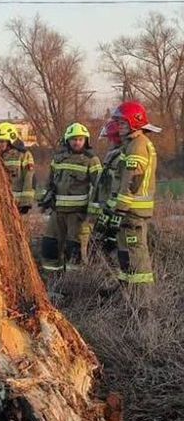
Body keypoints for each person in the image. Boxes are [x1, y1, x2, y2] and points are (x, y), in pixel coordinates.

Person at [99, 101, 159, 290]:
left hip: (133, 211)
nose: (119, 127)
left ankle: (143, 301)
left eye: (123, 123)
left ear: (135, 122)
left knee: (136, 259)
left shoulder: (137, 145)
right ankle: (128, 296)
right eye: (119, 123)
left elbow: (133, 180)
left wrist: (120, 208)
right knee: (126, 257)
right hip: (129, 211)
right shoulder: (132, 144)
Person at [38, 123, 102, 275]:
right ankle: (51, 279)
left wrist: (94, 212)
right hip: (57, 212)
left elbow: (99, 187)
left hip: (78, 214)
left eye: (80, 139)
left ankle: (73, 281)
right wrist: (43, 199)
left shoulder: (91, 160)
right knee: (50, 246)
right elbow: (49, 181)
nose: (77, 142)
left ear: (86, 141)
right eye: (74, 139)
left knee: (74, 249)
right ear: (67, 140)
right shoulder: (58, 159)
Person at [88, 119, 125, 259]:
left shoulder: (120, 157)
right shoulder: (113, 156)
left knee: (112, 246)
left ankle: (112, 270)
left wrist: (112, 211)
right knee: (99, 244)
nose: (108, 142)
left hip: (114, 211)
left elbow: (118, 186)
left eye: (110, 138)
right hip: (107, 210)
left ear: (116, 138)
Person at [0, 122, 34, 213]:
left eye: (2, 141)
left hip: (16, 203)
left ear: (10, 142)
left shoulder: (23, 155)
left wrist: (26, 203)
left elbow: (29, 178)